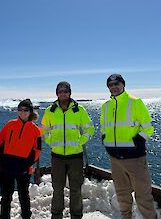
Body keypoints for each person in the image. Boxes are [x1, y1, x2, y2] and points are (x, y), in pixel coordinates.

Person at [100, 74, 157, 219]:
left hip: (135, 158)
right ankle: (126, 217)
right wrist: (105, 140)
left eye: (116, 84)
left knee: (143, 195)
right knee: (122, 193)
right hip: (115, 159)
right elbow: (103, 128)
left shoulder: (135, 102)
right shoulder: (105, 106)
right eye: (111, 85)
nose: (114, 87)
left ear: (123, 85)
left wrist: (138, 141)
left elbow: (148, 128)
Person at [41, 81, 95, 219]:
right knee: (57, 189)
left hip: (75, 157)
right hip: (57, 157)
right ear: (57, 94)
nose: (63, 94)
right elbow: (44, 130)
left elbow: (90, 128)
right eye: (60, 92)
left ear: (70, 93)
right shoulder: (50, 111)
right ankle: (56, 215)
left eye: (65, 91)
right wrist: (50, 141)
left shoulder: (79, 110)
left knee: (75, 189)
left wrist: (80, 141)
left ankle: (76, 215)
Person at [0, 99, 41, 219]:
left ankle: (26, 216)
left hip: (24, 169)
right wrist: (2, 161)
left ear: (30, 112)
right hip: (6, 168)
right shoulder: (10, 124)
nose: (22, 112)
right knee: (6, 196)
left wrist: (26, 165)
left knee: (24, 196)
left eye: (25, 110)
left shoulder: (35, 130)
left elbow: (37, 150)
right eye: (20, 109)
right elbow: (0, 142)